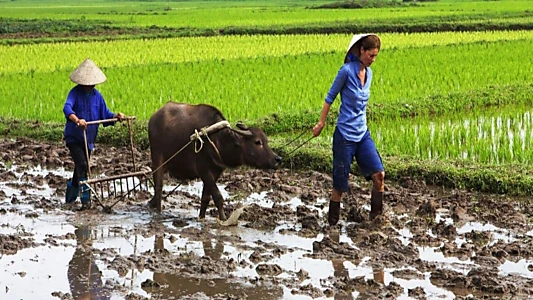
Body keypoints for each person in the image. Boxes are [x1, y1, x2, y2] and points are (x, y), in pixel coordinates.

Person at [312, 34, 385, 225]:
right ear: (361, 51)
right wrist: (321, 123)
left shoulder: (369, 74)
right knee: (340, 187)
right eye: (371, 55)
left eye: (376, 56)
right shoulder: (345, 71)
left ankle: (376, 220)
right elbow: (330, 98)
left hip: (362, 133)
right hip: (344, 136)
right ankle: (332, 225)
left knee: (379, 175)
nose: (373, 60)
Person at [63, 58, 125, 209]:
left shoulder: (98, 97)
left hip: (88, 140)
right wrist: (77, 120)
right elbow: (67, 108)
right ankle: (85, 201)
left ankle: (70, 198)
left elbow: (105, 116)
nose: (90, 85)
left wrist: (116, 117)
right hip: (74, 138)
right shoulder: (75, 93)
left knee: (79, 169)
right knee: (83, 165)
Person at [67, 225, 111, 300]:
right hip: (91, 275)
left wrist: (83, 296)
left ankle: (83, 231)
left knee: (82, 251)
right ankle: (84, 231)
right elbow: (107, 291)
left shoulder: (77, 292)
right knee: (85, 251)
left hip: (78, 274)